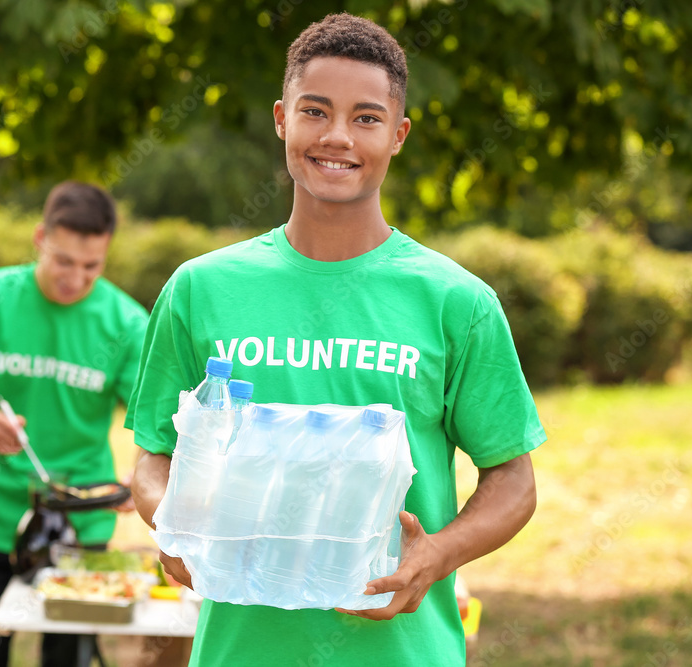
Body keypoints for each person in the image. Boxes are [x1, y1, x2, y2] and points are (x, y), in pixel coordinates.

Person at [126, 13, 545, 666]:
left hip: (405, 651)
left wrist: (436, 553)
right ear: (281, 118)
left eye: (367, 118)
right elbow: (153, 459)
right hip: (242, 650)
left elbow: (514, 479)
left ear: (399, 134)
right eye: (315, 111)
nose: (338, 137)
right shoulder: (199, 290)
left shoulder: (456, 302)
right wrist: (174, 522)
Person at [0, 181, 149, 667]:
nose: (75, 278)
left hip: (82, 528)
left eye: (91, 266)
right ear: (40, 239)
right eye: (63, 261)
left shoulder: (126, 322)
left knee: (68, 661)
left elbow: (152, 424)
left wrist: (138, 478)